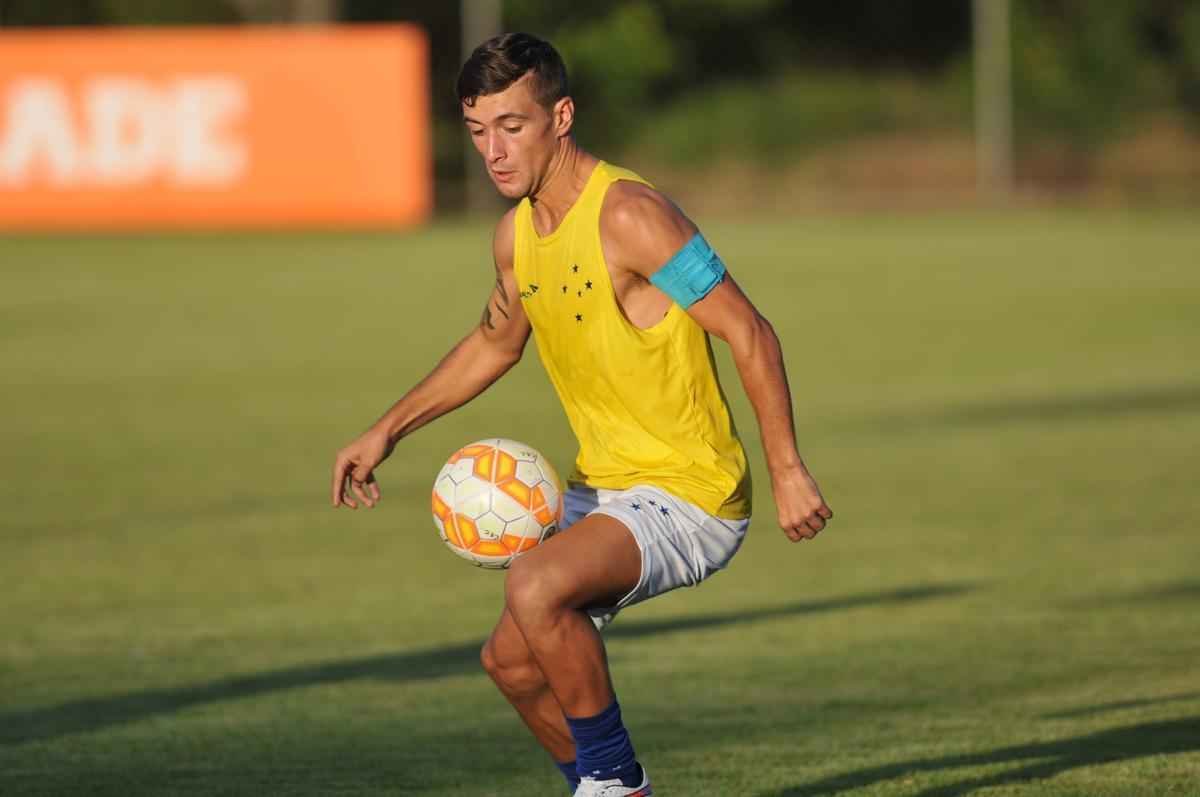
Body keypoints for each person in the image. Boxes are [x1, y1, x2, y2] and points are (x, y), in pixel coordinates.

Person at [331, 32, 832, 797]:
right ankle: (611, 786)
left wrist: (788, 469)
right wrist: (385, 430)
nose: (493, 152)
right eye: (477, 132)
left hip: (691, 491)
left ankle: (611, 781)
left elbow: (749, 330)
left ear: (560, 117)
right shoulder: (514, 237)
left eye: (512, 126)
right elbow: (494, 345)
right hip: (604, 486)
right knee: (510, 663)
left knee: (533, 585)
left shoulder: (633, 216)